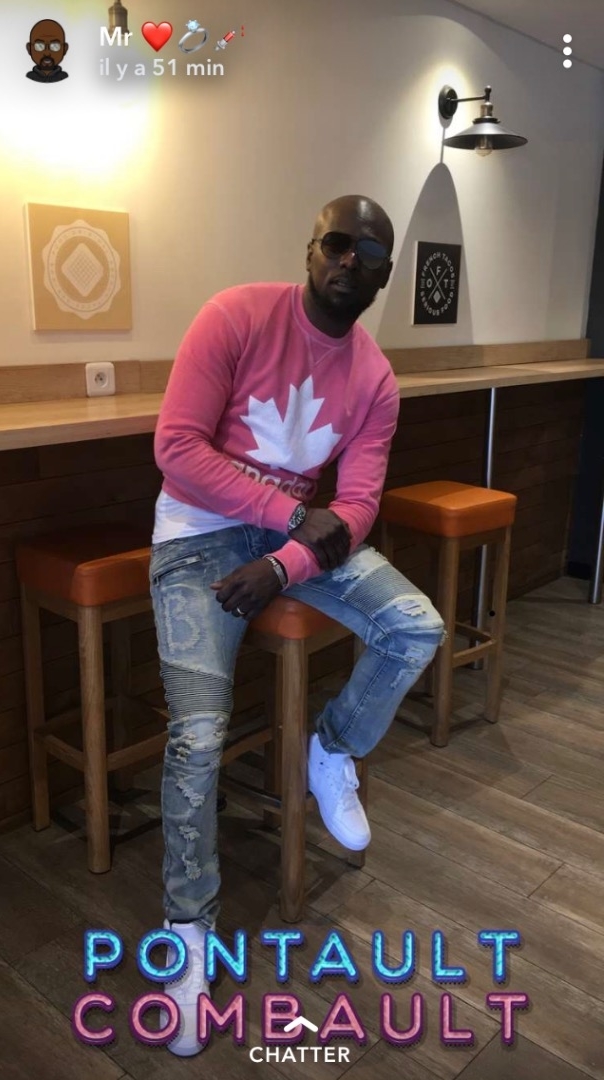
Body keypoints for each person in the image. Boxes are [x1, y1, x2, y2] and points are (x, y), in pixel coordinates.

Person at [150, 194, 445, 1055]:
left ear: (384, 276)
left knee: (415, 626)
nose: (351, 261)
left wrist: (283, 563)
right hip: (196, 535)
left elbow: (356, 508)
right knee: (198, 738)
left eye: (371, 254)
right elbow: (176, 448)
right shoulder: (235, 315)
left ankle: (333, 749)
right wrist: (286, 514)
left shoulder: (375, 379)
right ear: (312, 249)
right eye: (338, 243)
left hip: (290, 545)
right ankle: (188, 934)